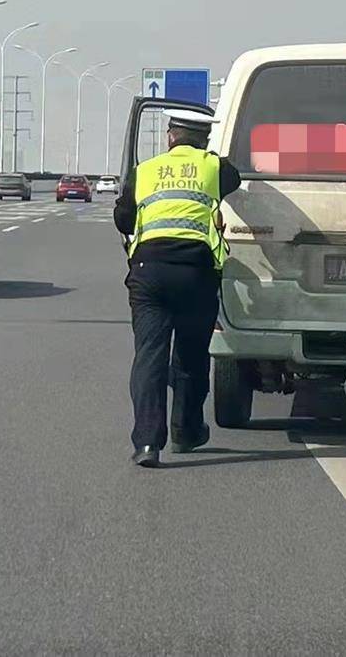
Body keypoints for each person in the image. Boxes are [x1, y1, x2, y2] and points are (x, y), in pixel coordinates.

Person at [114, 108, 242, 467]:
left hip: (148, 273)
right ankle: (186, 431)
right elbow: (234, 177)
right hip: (195, 273)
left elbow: (123, 219)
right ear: (204, 140)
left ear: (170, 137)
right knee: (191, 354)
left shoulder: (145, 171)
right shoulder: (213, 168)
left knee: (149, 357)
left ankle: (147, 444)